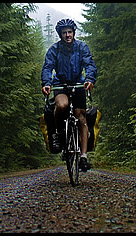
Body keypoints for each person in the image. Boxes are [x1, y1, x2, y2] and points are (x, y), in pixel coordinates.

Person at [41, 18, 97, 172]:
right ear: (60, 34)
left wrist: (90, 80)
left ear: (73, 33)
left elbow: (89, 65)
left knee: (81, 118)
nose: (67, 35)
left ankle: (84, 157)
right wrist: (46, 83)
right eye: (64, 32)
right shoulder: (55, 49)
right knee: (62, 106)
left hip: (78, 84)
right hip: (60, 84)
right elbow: (47, 67)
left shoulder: (81, 47)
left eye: (70, 32)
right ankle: (59, 135)